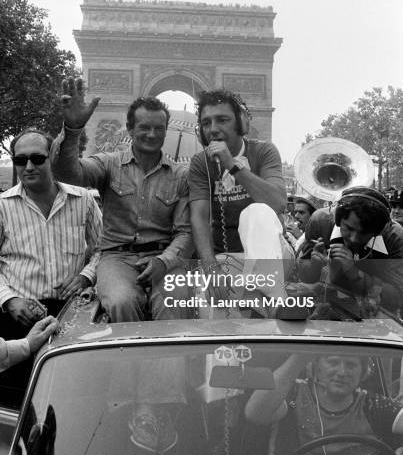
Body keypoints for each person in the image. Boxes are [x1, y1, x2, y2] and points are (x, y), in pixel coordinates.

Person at [51, 78, 193, 322]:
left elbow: (185, 232)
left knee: (175, 305)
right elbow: (67, 173)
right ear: (130, 129)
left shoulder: (181, 174)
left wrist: (164, 261)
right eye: (144, 127)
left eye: (159, 128)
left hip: (163, 257)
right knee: (121, 302)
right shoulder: (108, 163)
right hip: (116, 258)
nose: (152, 134)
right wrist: (73, 130)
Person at [188, 89, 292, 316]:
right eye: (206, 123)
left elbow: (278, 203)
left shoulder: (264, 151)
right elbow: (199, 217)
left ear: (242, 123)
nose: (213, 129)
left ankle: (274, 302)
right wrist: (210, 268)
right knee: (215, 325)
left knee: (256, 212)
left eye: (223, 120)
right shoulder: (200, 163)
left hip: (272, 256)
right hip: (223, 259)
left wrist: (232, 166)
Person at [245, 353, 403, 455]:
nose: (342, 372)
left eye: (351, 365)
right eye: (333, 362)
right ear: (317, 367)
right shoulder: (293, 394)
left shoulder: (374, 406)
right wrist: (300, 358)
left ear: (363, 372)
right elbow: (255, 414)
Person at [0, 128, 102, 337]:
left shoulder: (84, 200)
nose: (28, 167)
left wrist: (86, 276)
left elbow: (105, 248)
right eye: (20, 160)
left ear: (52, 159)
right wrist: (9, 299)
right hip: (18, 313)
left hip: (75, 310)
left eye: (37, 158)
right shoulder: (2, 206)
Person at [298, 186, 403, 317]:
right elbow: (304, 275)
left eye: (364, 233)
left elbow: (397, 297)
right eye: (348, 228)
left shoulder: (394, 236)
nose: (353, 238)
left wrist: (353, 272)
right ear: (337, 218)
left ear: (379, 231)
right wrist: (315, 265)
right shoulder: (320, 221)